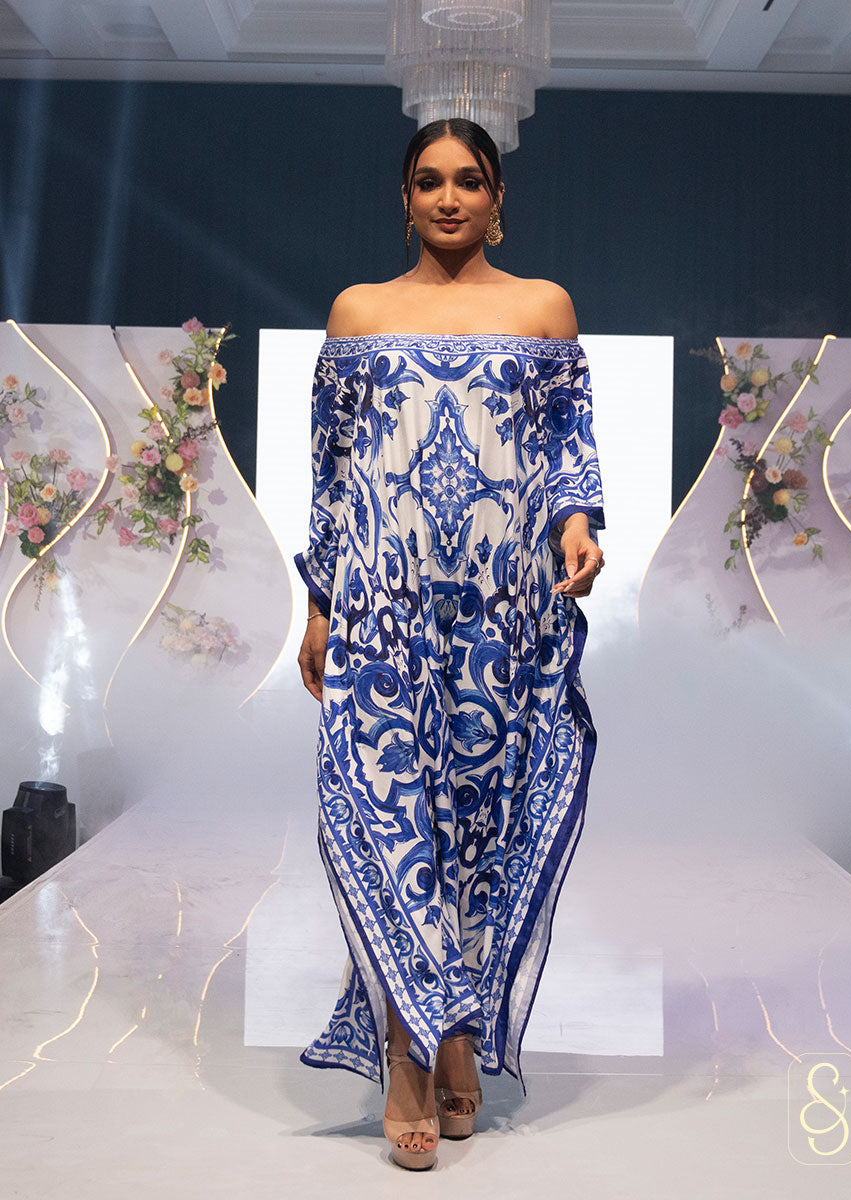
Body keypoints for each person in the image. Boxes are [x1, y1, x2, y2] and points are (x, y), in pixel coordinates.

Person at [295, 117, 605, 1171]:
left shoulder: (543, 309)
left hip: (500, 616)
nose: (449, 197)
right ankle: (407, 1055)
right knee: (392, 819)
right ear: (404, 196)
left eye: (469, 180)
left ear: (498, 195)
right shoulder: (359, 313)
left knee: (480, 825)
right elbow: (332, 472)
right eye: (428, 180)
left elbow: (571, 442)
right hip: (384, 612)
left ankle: (458, 1027)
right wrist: (321, 604)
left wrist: (576, 522)